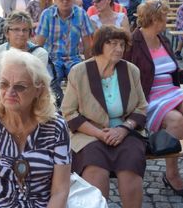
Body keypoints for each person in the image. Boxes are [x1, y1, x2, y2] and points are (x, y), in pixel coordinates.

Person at [0, 49, 71, 207]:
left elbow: (60, 191)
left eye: (20, 87)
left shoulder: (56, 127)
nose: (10, 92)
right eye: (4, 84)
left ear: (38, 90)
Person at [62, 25, 147, 207]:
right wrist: (100, 134)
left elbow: (141, 107)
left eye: (122, 45)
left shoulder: (131, 70)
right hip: (88, 134)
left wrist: (124, 129)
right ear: (100, 44)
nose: (119, 49)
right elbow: (69, 112)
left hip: (125, 131)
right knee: (94, 168)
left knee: (130, 165)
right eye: (112, 43)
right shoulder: (79, 72)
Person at [124, 0, 183, 197]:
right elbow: (124, 74)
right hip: (149, 95)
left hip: (170, 91)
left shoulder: (162, 39)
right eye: (164, 16)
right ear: (154, 19)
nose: (167, 20)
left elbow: (172, 69)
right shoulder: (133, 42)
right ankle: (172, 174)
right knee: (176, 120)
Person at [35, 0, 94, 101]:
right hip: (52, 58)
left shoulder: (81, 14)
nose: (65, 1)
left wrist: (88, 66)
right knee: (51, 81)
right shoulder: (47, 14)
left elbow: (88, 44)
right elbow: (39, 43)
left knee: (81, 79)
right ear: (55, 0)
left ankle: (78, 107)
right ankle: (54, 107)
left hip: (73, 57)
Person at [0, 11, 49, 91]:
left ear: (30, 33)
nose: (21, 34)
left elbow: (35, 85)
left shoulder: (39, 54)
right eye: (16, 29)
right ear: (7, 33)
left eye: (25, 30)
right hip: (3, 99)